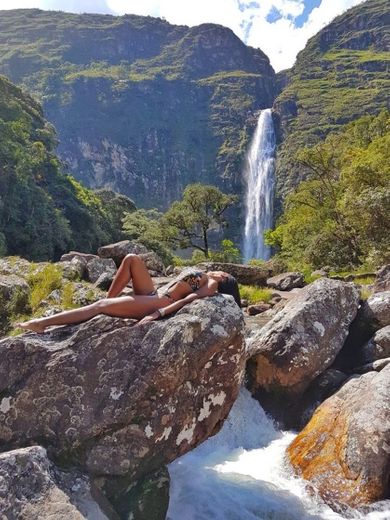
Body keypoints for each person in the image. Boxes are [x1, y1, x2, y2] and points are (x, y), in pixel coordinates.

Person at [17, 254, 240, 333]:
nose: (219, 269)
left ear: (224, 279)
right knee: (132, 258)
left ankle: (42, 323)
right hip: (155, 293)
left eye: (223, 272)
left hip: (159, 301)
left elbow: (191, 299)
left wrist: (157, 314)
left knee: (99, 309)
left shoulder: (211, 283)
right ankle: (110, 300)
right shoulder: (207, 277)